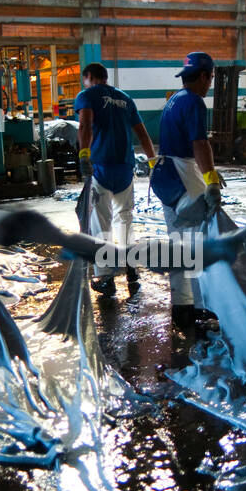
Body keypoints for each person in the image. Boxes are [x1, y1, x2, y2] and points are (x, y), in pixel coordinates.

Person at [149, 51, 224, 332]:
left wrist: (211, 170)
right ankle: (201, 309)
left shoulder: (174, 100)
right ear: (204, 76)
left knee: (179, 243)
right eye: (211, 78)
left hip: (166, 176)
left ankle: (182, 308)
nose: (209, 84)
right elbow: (199, 145)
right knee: (195, 247)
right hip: (183, 175)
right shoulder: (194, 101)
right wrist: (211, 179)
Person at [74, 62, 157, 296]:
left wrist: (84, 155)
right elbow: (142, 132)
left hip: (100, 167)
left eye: (84, 79)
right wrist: (153, 161)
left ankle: (105, 277)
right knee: (125, 218)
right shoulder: (125, 98)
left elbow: (85, 125)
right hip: (124, 169)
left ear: (89, 76)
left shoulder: (87, 95)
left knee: (101, 223)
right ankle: (131, 269)